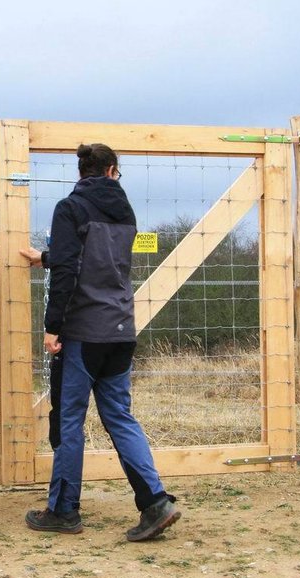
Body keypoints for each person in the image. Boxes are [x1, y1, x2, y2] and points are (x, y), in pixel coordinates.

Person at [23, 144, 181, 542]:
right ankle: (155, 502)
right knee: (120, 417)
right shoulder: (125, 211)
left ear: (83, 171)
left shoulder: (69, 208)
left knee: (70, 420)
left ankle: (63, 511)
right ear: (111, 171)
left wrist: (52, 325)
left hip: (83, 332)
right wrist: (46, 255)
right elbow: (97, 258)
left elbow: (69, 270)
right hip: (121, 329)